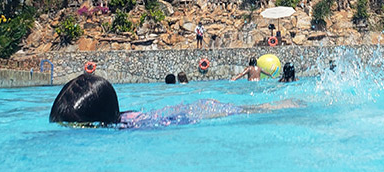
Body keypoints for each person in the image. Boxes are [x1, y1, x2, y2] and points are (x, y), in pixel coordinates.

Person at [49, 73, 299, 128]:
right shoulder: (114, 120)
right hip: (182, 111)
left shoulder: (131, 126)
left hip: (187, 115)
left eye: (74, 127)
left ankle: (282, 105)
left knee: (251, 111)